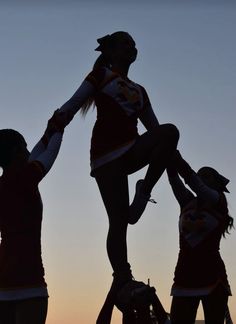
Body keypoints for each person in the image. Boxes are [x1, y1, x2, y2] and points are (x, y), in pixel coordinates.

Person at [58, 31, 179, 322]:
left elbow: (156, 130)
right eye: (125, 42)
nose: (131, 47)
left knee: (170, 132)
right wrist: (55, 125)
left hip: (132, 148)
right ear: (111, 51)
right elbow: (74, 103)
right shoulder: (100, 76)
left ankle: (143, 191)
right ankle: (122, 274)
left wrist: (185, 171)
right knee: (118, 221)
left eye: (134, 43)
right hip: (105, 156)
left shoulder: (140, 90)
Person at [0, 110, 70, 324]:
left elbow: (39, 151)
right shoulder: (26, 178)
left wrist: (50, 130)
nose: (29, 151)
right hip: (30, 280)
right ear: (16, 153)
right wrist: (60, 127)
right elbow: (50, 154)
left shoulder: (4, 185)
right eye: (24, 147)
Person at [167, 150, 233, 324]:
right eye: (199, 174)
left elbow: (196, 185)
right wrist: (168, 159)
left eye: (207, 176)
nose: (201, 178)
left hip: (213, 277)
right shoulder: (187, 202)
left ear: (217, 185)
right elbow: (175, 182)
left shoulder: (218, 203)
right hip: (184, 276)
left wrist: (179, 161)